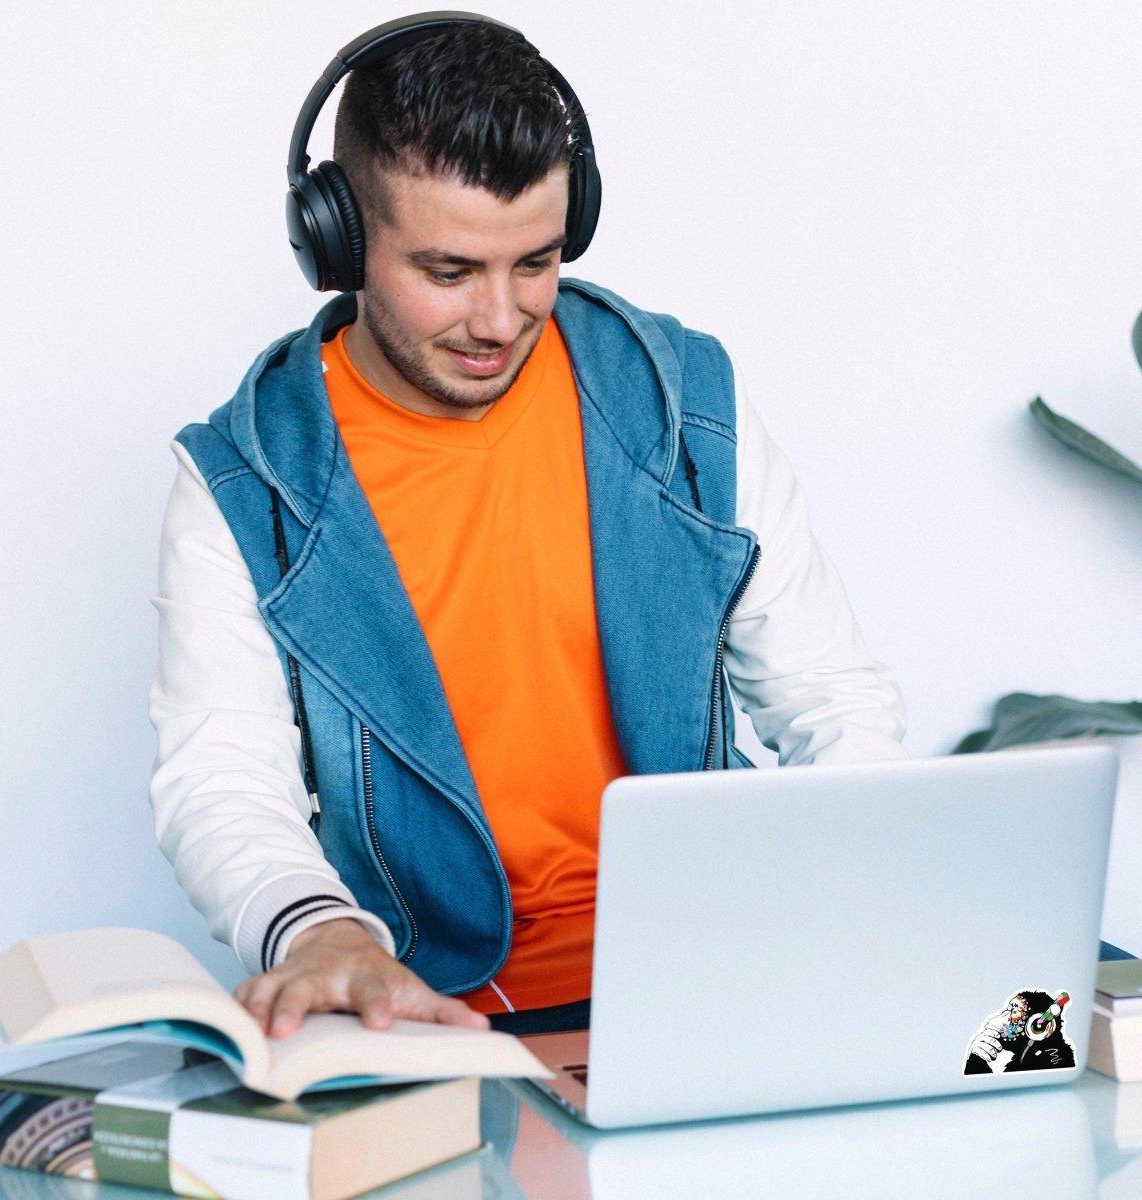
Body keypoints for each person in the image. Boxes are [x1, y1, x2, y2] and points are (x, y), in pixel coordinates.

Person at [147, 15, 910, 1043]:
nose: (501, 319)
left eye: (536, 263)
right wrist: (319, 931)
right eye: (449, 272)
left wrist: (863, 899)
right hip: (439, 1015)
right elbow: (222, 773)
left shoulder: (682, 400)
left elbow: (830, 699)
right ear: (339, 241)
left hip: (716, 973)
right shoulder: (247, 479)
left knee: (1014, 1069)